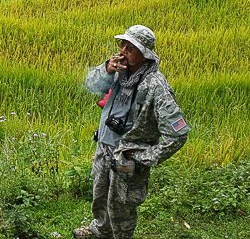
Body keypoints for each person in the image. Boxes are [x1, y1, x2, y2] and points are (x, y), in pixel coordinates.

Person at [72, 25, 190, 239]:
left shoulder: (156, 86)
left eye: (131, 47)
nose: (123, 50)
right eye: (122, 44)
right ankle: (99, 231)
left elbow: (178, 134)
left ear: (144, 54)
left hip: (128, 156)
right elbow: (90, 84)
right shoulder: (116, 69)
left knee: (122, 206)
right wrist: (106, 69)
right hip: (105, 147)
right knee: (100, 195)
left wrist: (144, 157)